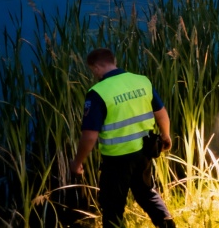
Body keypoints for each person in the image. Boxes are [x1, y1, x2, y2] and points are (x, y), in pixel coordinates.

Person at [70, 48, 176, 228]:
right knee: (147, 193)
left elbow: (89, 136)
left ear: (95, 67)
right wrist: (165, 135)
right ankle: (168, 225)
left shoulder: (98, 92)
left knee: (112, 206)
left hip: (117, 159)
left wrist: (77, 162)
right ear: (114, 61)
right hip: (144, 151)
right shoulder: (142, 81)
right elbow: (161, 113)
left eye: (92, 70)